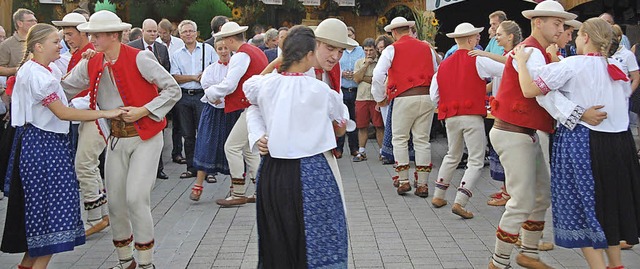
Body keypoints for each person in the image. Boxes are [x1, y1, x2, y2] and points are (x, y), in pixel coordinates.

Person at [513, 17, 640, 269]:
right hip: (620, 143)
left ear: (585, 37)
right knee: (609, 206)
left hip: (583, 142)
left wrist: (521, 63)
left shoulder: (573, 65)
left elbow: (529, 89)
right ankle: (615, 265)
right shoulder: (616, 67)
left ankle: (598, 267)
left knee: (583, 208)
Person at [61, 10, 181, 269]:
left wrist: (144, 109)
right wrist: (31, 78)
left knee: (136, 198)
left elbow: (173, 89)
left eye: (96, 34)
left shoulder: (141, 57)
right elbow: (63, 88)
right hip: (115, 138)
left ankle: (147, 263)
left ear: (114, 35)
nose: (90, 38)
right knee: (115, 202)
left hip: (146, 136)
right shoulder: (91, 61)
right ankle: (126, 261)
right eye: (90, 33)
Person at [0, 23, 122, 269]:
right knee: (51, 222)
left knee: (43, 223)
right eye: (55, 41)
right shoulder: (37, 74)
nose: (61, 45)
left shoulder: (37, 69)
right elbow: (62, 112)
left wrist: (94, 98)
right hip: (43, 148)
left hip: (39, 144)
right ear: (38, 46)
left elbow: (62, 100)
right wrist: (107, 112)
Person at [487, 1, 584, 268]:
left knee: (541, 194)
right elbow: (541, 94)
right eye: (557, 23)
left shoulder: (537, 51)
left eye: (562, 25)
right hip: (514, 132)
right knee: (522, 200)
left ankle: (529, 253)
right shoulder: (531, 51)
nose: (561, 29)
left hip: (524, 131)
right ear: (538, 22)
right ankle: (498, 261)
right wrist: (578, 115)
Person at [244, 24, 348, 269]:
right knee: (319, 235)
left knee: (276, 238)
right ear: (310, 54)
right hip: (311, 171)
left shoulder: (264, 85)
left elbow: (252, 99)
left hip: (272, 171)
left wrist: (263, 132)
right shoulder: (322, 91)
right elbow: (341, 125)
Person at [430, 22, 504, 218]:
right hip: (472, 115)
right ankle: (460, 201)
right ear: (471, 39)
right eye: (476, 38)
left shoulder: (443, 65)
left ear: (456, 40)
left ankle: (439, 194)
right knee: (476, 159)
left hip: (450, 116)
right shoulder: (477, 59)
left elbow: (434, 96)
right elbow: (505, 69)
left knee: (452, 154)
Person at [53, 11, 113, 237]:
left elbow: (93, 92)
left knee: (84, 164)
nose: (67, 39)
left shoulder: (89, 56)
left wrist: (65, 106)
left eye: (70, 34)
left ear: (84, 34)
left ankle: (95, 217)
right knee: (89, 164)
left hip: (95, 116)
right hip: (89, 115)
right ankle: (101, 213)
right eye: (65, 34)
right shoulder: (80, 55)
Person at [205, 21, 268, 207]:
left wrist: (210, 93)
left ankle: (238, 192)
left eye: (225, 39)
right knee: (250, 150)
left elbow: (229, 84)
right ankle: (260, 190)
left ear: (231, 39)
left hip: (251, 107)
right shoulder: (255, 50)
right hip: (257, 106)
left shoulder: (241, 55)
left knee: (231, 147)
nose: (224, 43)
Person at [372, 17, 437, 197]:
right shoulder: (426, 48)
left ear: (393, 33)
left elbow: (378, 75)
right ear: (409, 29)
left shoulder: (392, 49)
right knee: (422, 140)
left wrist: (380, 97)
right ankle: (423, 184)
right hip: (426, 96)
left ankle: (403, 180)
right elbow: (436, 71)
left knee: (399, 138)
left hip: (404, 97)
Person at [470, 20, 523, 207]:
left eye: (500, 34)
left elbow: (510, 63)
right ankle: (505, 188)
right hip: (501, 104)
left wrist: (484, 54)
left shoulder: (517, 54)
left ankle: (510, 192)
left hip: (511, 109)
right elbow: (499, 77)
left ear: (510, 36)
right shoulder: (505, 55)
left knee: (508, 153)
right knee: (502, 152)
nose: (496, 36)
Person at [190, 37, 236, 201]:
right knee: (206, 144)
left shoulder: (235, 67)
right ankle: (198, 184)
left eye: (225, 48)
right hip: (213, 110)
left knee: (232, 147)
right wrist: (212, 96)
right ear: (215, 51)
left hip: (231, 111)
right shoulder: (210, 69)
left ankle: (235, 185)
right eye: (220, 49)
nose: (223, 51)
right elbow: (206, 85)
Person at [170, 20, 216, 179]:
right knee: (188, 135)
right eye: (184, 32)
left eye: (191, 31)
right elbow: (174, 76)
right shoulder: (177, 54)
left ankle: (209, 170)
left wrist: (205, 77)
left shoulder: (207, 49)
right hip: (184, 97)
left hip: (202, 95)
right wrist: (193, 77)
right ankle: (191, 168)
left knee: (205, 133)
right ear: (180, 35)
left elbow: (216, 69)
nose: (188, 34)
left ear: (196, 33)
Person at [128, 18, 172, 180]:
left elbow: (166, 71)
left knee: (158, 131)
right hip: (139, 98)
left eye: (155, 31)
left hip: (159, 97)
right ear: (142, 31)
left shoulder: (161, 48)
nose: (153, 34)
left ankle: (158, 169)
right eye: (150, 31)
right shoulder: (132, 48)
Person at [352, 38, 384, 162]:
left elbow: (378, 79)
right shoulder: (359, 62)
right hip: (362, 97)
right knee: (362, 125)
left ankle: (382, 152)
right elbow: (356, 78)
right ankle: (362, 151)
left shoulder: (381, 62)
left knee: (379, 126)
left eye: (371, 50)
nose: (369, 53)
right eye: (366, 50)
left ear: (375, 50)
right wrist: (366, 65)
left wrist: (364, 78)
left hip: (376, 98)